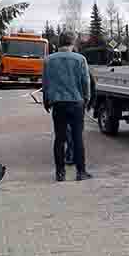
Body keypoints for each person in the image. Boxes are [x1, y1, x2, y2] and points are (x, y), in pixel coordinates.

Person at [42, 30, 92, 182]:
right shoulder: (80, 59)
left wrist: (46, 100)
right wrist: (87, 98)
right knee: (77, 138)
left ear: (59, 42)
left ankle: (60, 173)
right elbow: (86, 82)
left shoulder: (48, 60)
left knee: (60, 139)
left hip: (58, 103)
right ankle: (81, 172)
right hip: (76, 103)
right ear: (72, 42)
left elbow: (45, 83)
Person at [65, 69, 97, 165]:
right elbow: (91, 86)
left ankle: (70, 154)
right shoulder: (83, 68)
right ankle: (73, 156)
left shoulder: (61, 69)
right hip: (78, 104)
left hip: (63, 103)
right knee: (76, 132)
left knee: (67, 131)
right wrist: (89, 102)